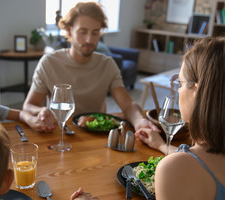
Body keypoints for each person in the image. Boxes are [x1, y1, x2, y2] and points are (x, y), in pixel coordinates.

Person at [67, 37, 225, 200]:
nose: (178, 90)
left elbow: (192, 171)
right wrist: (160, 146)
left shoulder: (175, 170)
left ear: (198, 90)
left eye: (181, 83)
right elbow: (209, 169)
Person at [22, 2, 156, 133]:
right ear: (69, 30)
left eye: (95, 33)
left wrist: (139, 121)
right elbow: (29, 106)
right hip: (60, 131)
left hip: (95, 133)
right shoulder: (49, 63)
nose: (89, 40)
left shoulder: (107, 64)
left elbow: (127, 104)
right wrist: (40, 111)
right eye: (83, 32)